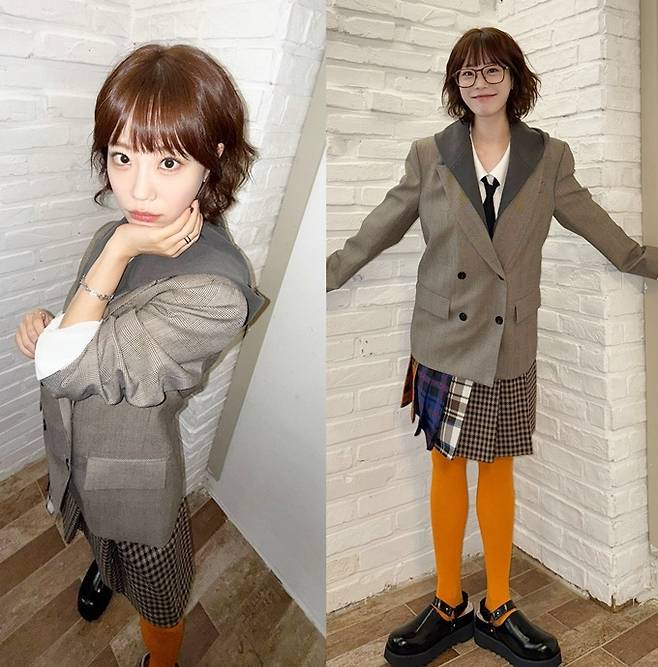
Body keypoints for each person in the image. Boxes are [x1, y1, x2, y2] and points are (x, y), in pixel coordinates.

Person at [326, 26, 658, 667]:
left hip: (509, 340)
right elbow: (380, 228)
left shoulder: (549, 157)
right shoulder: (429, 154)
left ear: (514, 77)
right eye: (468, 73)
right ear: (456, 84)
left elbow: (599, 230)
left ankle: (498, 606)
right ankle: (448, 603)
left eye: (492, 70)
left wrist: (643, 261)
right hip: (444, 339)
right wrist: (329, 273)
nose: (480, 83)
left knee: (499, 465)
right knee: (446, 466)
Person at [15, 43, 266, 667]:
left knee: (160, 595)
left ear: (212, 160)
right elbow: (86, 329)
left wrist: (116, 253)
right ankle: (104, 568)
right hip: (74, 442)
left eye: (168, 161)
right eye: (122, 156)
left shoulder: (214, 292)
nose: (138, 187)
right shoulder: (119, 235)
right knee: (98, 535)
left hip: (133, 467)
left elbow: (67, 366)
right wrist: (50, 324)